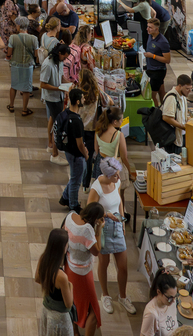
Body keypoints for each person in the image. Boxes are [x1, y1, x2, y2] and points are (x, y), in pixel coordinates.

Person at [87, 157, 133, 314]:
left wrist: (121, 219)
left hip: (117, 226)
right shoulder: (96, 188)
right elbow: (90, 211)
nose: (119, 178)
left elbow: (119, 200)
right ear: (107, 175)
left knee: (123, 266)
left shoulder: (116, 182)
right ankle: (105, 295)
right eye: (115, 175)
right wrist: (106, 215)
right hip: (103, 228)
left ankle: (123, 296)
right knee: (103, 263)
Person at [64, 203, 104, 336]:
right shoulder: (87, 229)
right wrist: (98, 229)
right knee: (94, 310)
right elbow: (96, 251)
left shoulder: (71, 216)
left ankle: (75, 332)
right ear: (95, 219)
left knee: (73, 303)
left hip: (69, 267)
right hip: (82, 273)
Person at [39, 40, 69, 166]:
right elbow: (42, 84)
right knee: (58, 123)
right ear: (59, 53)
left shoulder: (59, 62)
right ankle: (55, 154)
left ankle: (51, 145)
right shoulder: (48, 64)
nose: (65, 59)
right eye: (64, 56)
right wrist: (58, 88)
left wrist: (68, 84)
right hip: (52, 97)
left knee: (53, 117)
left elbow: (61, 76)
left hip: (59, 95)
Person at [59, 88, 89, 210]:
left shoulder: (66, 113)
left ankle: (65, 197)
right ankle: (73, 204)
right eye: (82, 98)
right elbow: (80, 143)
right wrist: (86, 154)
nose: (84, 99)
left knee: (75, 176)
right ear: (77, 101)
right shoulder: (76, 121)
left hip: (68, 151)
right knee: (76, 181)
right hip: (76, 154)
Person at [7, 16, 37, 116]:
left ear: (19, 26)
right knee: (27, 88)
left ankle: (11, 105)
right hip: (28, 65)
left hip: (16, 64)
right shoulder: (34, 38)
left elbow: (9, 53)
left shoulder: (13, 38)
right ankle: (24, 109)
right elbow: (36, 54)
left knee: (13, 86)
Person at [158, 75, 191, 156]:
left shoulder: (182, 97)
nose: (189, 91)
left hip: (181, 135)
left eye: (191, 89)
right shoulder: (172, 98)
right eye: (187, 89)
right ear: (179, 86)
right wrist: (182, 126)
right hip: (173, 138)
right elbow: (166, 117)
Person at [140, 270, 179, 336]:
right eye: (170, 298)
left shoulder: (172, 302)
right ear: (159, 292)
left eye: (175, 296)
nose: (173, 301)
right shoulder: (151, 314)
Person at [142, 18, 171, 106]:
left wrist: (152, 56)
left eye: (150, 27)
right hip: (151, 68)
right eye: (147, 27)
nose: (147, 29)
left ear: (156, 29)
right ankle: (165, 109)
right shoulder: (150, 35)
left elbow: (167, 60)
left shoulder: (163, 42)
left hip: (158, 71)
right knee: (161, 92)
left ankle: (156, 113)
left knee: (151, 96)